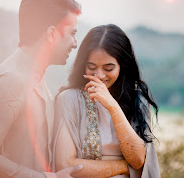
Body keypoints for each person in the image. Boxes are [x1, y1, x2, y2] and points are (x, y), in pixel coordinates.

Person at [0, 0, 84, 178]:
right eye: (72, 33)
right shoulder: (10, 80)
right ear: (52, 33)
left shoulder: (37, 78)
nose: (75, 43)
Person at [53, 24, 160, 177]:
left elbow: (137, 160)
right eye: (91, 67)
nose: (99, 76)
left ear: (122, 66)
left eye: (108, 68)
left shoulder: (137, 99)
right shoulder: (69, 99)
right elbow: (66, 165)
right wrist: (125, 167)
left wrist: (112, 106)